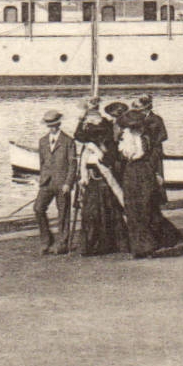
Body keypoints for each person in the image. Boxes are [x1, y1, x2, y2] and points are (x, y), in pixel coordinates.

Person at [117, 108, 180, 257]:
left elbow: (131, 154)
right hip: (134, 172)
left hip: (140, 172)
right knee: (134, 209)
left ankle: (148, 245)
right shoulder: (131, 136)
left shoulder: (142, 138)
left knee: (144, 209)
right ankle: (141, 247)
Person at [74, 106, 127, 256]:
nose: (88, 126)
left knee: (107, 211)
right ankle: (92, 244)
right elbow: (78, 135)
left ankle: (107, 244)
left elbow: (109, 158)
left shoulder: (107, 139)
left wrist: (98, 152)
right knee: (91, 213)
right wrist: (82, 116)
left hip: (104, 180)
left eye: (90, 123)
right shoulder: (89, 142)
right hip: (92, 180)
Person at [32, 110, 79, 255]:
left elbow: (72, 164)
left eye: (54, 124)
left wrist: (68, 183)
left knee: (63, 213)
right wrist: (40, 178)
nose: (52, 127)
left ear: (59, 124)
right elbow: (42, 162)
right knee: (38, 208)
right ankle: (47, 240)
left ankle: (63, 243)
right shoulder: (42, 141)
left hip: (62, 183)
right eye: (49, 125)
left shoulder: (68, 141)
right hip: (46, 182)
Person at [135, 95, 168, 183]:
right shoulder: (137, 119)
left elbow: (164, 135)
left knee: (156, 173)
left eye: (140, 107)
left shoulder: (157, 119)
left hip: (154, 150)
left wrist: (151, 142)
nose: (138, 110)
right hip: (141, 149)